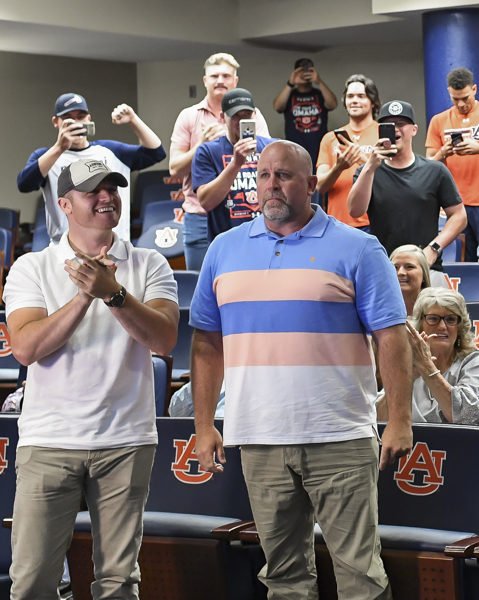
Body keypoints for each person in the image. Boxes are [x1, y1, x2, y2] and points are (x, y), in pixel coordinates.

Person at [190, 140, 413, 599]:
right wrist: (203, 424)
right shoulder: (223, 249)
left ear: (312, 184)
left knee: (361, 577)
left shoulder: (359, 247)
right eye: (265, 175)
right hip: (258, 438)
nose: (272, 185)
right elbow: (206, 343)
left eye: (285, 175)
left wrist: (401, 420)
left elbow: (391, 337)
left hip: (339, 436)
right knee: (284, 577)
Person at [3, 159, 179, 597]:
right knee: (32, 582)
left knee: (119, 583)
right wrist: (85, 297)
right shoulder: (32, 266)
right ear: (63, 204)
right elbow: (25, 347)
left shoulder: (150, 263)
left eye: (112, 189)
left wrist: (114, 294)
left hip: (126, 440)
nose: (107, 198)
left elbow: (164, 340)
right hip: (49, 441)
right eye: (92, 191)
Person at [17, 93, 165, 243]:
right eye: (68, 118)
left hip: (114, 246)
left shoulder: (111, 150)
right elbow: (24, 184)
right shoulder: (47, 156)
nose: (76, 123)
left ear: (88, 119)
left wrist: (133, 120)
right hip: (65, 249)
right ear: (56, 122)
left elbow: (156, 153)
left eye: (80, 117)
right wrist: (59, 148)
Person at [170, 52, 270, 269]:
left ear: (235, 81)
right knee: (201, 282)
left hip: (244, 210)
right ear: (205, 80)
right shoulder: (189, 116)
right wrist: (201, 145)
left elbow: (266, 159)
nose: (220, 81)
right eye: (214, 76)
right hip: (199, 213)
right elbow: (174, 169)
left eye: (226, 76)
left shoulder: (254, 115)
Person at [347, 99, 466, 267]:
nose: (395, 129)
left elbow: (459, 215)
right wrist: (369, 167)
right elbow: (355, 211)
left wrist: (433, 248)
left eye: (400, 124)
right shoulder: (367, 172)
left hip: (426, 266)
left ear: (414, 130)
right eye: (388, 125)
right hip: (383, 266)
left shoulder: (435, 170)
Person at [427, 68, 479, 261]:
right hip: (455, 205)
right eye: (455, 99)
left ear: (474, 89)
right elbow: (429, 163)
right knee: (461, 263)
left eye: (465, 97)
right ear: (449, 92)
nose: (461, 104)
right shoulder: (439, 121)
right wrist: (443, 153)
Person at [387, 287, 479, 426]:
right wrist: (403, 381)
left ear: (460, 327)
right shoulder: (408, 363)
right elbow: (379, 417)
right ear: (420, 325)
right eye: (433, 319)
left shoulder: (475, 362)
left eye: (450, 319)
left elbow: (469, 417)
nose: (442, 326)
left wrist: (427, 368)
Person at [192, 88, 278, 241]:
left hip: (270, 238)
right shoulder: (208, 151)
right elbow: (206, 202)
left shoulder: (272, 148)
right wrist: (235, 164)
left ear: (255, 115)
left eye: (246, 115)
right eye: (235, 116)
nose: (241, 120)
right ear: (222, 117)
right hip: (228, 241)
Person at [316, 74, 381, 230]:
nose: (354, 100)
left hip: (374, 221)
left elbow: (393, 178)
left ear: (373, 102)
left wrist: (363, 159)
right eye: (350, 96)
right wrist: (339, 167)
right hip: (338, 223)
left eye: (361, 96)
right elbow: (320, 186)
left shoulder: (383, 133)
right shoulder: (330, 138)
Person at [273, 57, 337, 167]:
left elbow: (333, 105)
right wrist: (290, 83)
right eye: (301, 71)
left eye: (309, 70)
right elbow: (277, 107)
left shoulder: (319, 93)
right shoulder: (290, 94)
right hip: (294, 151)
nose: (305, 73)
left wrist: (319, 81)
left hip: (320, 150)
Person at [390, 244, 450, 315]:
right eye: (395, 267)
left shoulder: (439, 310)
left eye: (409, 267)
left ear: (424, 275)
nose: (401, 272)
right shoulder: (376, 310)